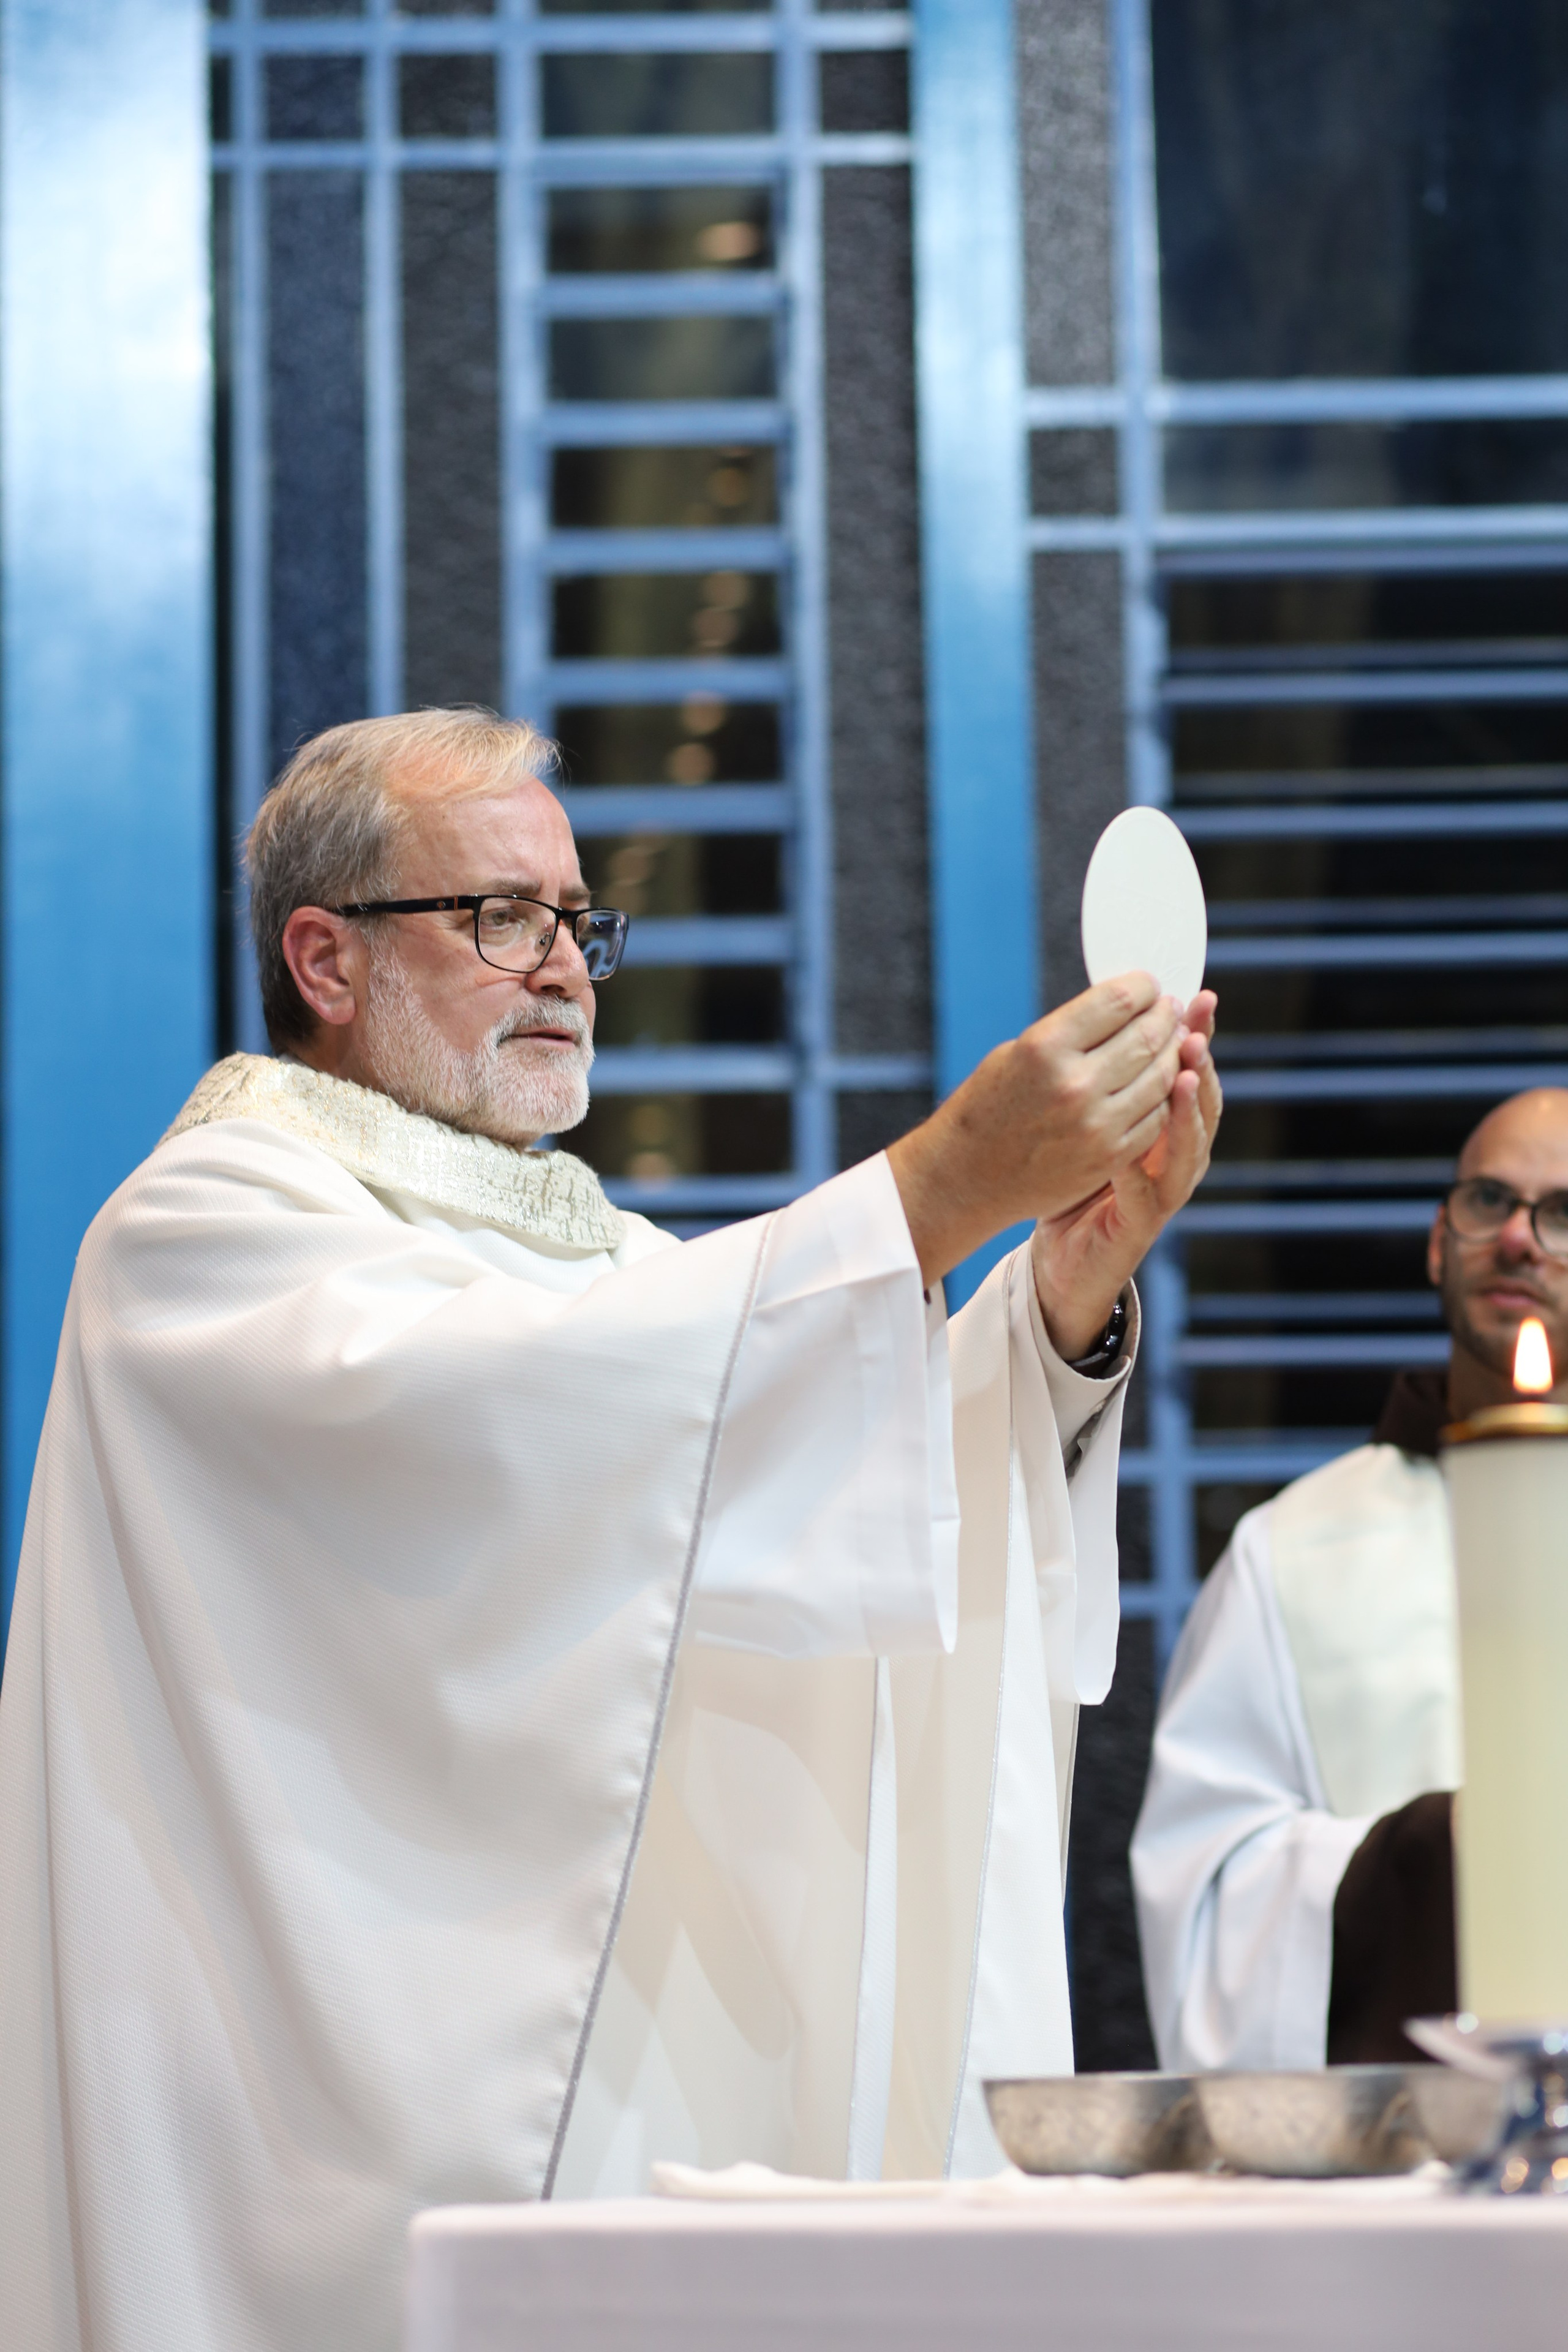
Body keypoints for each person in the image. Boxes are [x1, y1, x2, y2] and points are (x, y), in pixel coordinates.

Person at [0, 709, 1220, 2352]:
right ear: (325, 958)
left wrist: (1059, 1292)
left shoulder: (613, 1268)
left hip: (637, 2127)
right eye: (502, 917)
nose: (563, 966)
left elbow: (822, 1514)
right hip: (332, 2156)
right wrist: (927, 1191)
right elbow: (503, 1429)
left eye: (578, 921)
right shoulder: (205, 1235)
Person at [1132, 1087, 1568, 2075]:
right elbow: (1205, 1886)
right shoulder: (1291, 1549)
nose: (1517, 1240)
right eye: (1487, 1201)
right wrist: (1427, 1858)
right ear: (1435, 1243)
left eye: (1562, 1216)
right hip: (1400, 2154)